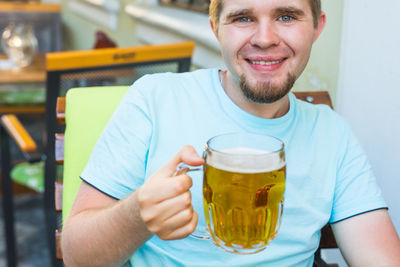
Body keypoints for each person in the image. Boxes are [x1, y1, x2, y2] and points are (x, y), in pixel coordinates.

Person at [61, 0, 400, 266]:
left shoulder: (331, 132)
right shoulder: (154, 99)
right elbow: (77, 256)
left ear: (316, 27)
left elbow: (379, 256)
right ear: (216, 28)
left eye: (286, 16)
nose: (265, 39)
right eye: (242, 18)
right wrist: (136, 215)